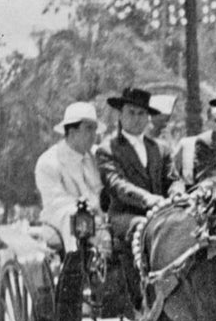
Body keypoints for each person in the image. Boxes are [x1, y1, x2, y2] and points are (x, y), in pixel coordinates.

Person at [96, 87, 174, 243]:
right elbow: (117, 184)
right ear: (120, 115)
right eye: (131, 112)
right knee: (145, 227)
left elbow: (172, 179)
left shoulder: (160, 148)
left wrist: (177, 192)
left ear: (148, 118)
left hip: (161, 214)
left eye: (141, 113)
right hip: (124, 217)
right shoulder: (108, 149)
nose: (137, 118)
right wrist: (146, 198)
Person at [33, 101, 110, 256]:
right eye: (89, 129)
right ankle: (77, 269)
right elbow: (56, 203)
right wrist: (90, 208)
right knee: (78, 220)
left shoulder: (98, 156)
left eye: (95, 129)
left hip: (100, 217)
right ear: (72, 132)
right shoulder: (48, 162)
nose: (94, 135)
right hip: (62, 218)